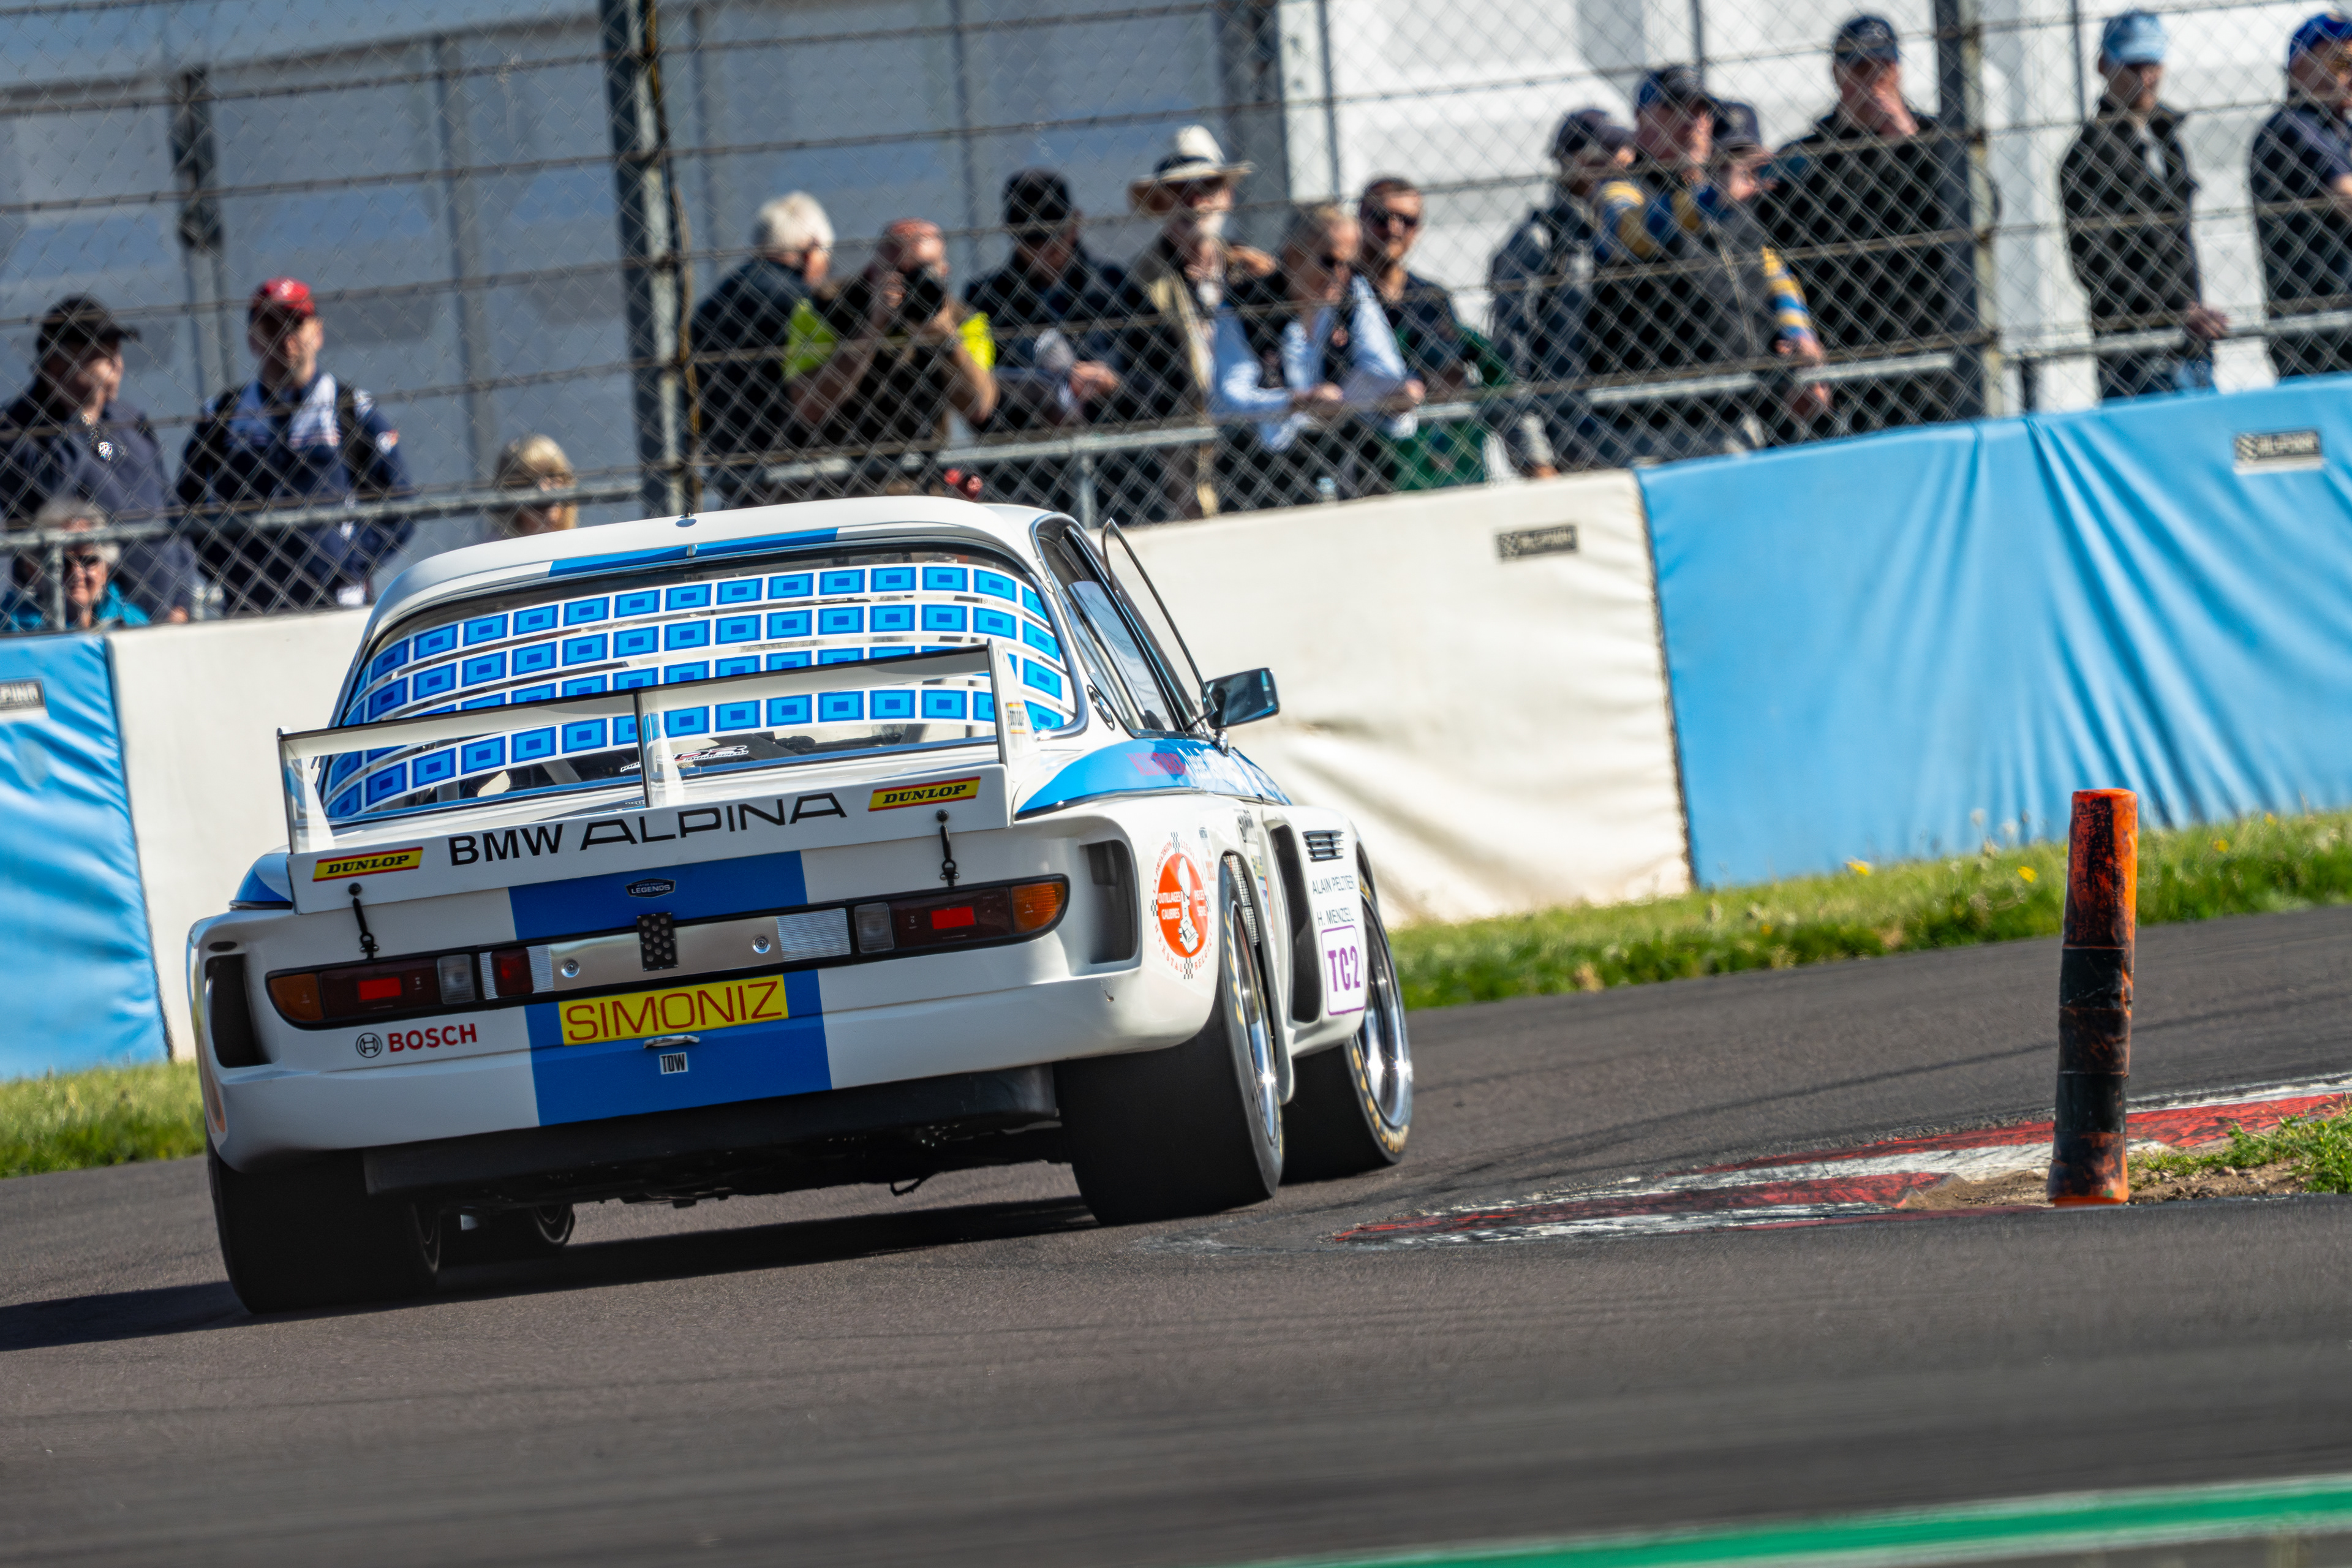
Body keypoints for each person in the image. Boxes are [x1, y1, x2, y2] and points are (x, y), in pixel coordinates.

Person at [1583, 71, 1829, 459]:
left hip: (1741, 413)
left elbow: (1773, 270)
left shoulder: (1722, 190)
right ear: (1641, 120)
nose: (1692, 123)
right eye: (1673, 109)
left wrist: (1798, 334)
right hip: (1658, 424)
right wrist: (1711, 200)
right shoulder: (1621, 189)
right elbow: (1632, 233)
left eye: (1700, 112)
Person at [1759, 15, 1976, 432]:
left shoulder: (1936, 140)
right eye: (1860, 69)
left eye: (1884, 67)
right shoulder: (1806, 157)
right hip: (1842, 358)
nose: (1874, 81)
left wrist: (1908, 140)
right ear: (1837, 75)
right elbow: (1771, 249)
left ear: (1899, 70)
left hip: (1931, 355)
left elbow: (1983, 209)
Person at [178, 277, 415, 614]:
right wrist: (223, 566)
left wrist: (350, 564)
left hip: (337, 604)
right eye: (272, 325)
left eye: (295, 323)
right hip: (250, 605)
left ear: (317, 332)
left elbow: (399, 501)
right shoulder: (223, 413)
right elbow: (184, 502)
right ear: (252, 338)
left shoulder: (350, 407)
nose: (285, 336)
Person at [2060, 12, 2230, 400]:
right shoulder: (2089, 155)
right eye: (2132, 66)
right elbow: (2095, 263)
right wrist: (2175, 310)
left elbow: (2180, 241)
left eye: (2152, 64)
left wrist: (2190, 312)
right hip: (2134, 349)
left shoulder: (2167, 139)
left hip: (2190, 343)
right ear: (2103, 67)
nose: (2146, 77)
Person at [1210, 203, 1422, 509]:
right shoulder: (1243, 307)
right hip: (1259, 464)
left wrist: (1399, 392)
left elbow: (1379, 364)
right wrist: (1297, 402)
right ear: (1293, 255)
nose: (1341, 275)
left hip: (1338, 449)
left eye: (1350, 264)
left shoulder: (1353, 292)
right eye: (1329, 262)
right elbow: (1231, 396)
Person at [1115, 124, 1278, 519]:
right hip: (1184, 454)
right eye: (1180, 190)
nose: (1195, 201)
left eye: (1209, 186)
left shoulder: (1255, 271)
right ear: (1161, 203)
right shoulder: (1137, 287)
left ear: (1228, 196)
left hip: (1260, 446)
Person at [0, 296, 197, 622]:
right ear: (58, 366)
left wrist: (184, 598)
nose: (117, 366)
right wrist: (76, 413)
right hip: (79, 625)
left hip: (166, 617)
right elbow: (51, 484)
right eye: (103, 356)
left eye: (116, 353)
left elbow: (170, 510)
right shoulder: (16, 429)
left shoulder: (125, 422)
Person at [782, 220, 996, 498]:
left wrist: (945, 339)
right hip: (838, 484)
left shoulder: (963, 318)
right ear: (873, 271)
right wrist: (871, 330)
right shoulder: (824, 306)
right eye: (899, 273)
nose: (911, 285)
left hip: (920, 485)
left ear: (944, 272)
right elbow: (809, 406)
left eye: (923, 272)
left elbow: (979, 408)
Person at [961, 170, 1129, 510]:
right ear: (1011, 234)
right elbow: (978, 391)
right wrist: (1044, 393)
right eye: (1033, 238)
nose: (1046, 248)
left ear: (1075, 223)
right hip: (1026, 469)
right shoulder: (985, 298)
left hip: (1120, 466)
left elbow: (1166, 380)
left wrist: (1114, 383)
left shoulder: (1114, 286)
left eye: (1055, 233)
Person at [1487, 108, 1637, 477]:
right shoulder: (1542, 240)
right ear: (1568, 162)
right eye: (1601, 156)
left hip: (1643, 430)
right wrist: (1533, 456)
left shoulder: (1641, 231)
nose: (1618, 165)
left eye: (1622, 153)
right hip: (1573, 444)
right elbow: (1510, 353)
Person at [1356, 176, 1506, 490]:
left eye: (1407, 221)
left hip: (1438, 447)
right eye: (1382, 218)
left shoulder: (1431, 296)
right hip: (1371, 450)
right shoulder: (1345, 293)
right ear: (1360, 220)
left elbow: (1453, 370)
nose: (1394, 229)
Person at [690, 192, 833, 504]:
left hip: (730, 467)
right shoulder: (802, 303)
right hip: (798, 467)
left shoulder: (714, 304)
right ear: (811, 249)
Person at [2252, 13, 2352, 380]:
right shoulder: (2292, 128)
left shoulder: (2339, 130)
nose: (2351, 73)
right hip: (2319, 336)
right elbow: (2347, 196)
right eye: (2341, 62)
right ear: (2300, 68)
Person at [3, 497, 151, 633]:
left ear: (106, 568)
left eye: (89, 560)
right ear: (34, 570)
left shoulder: (133, 620)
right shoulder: (13, 627)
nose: (77, 572)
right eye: (63, 562)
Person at [488, 434, 578, 540]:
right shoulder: (493, 548)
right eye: (529, 483)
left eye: (552, 477)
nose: (544, 491)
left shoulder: (582, 544)